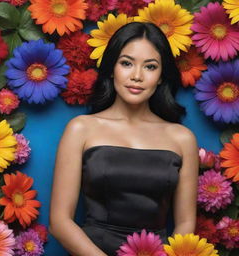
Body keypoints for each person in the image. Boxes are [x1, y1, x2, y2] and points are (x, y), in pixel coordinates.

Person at [49, 22, 199, 256]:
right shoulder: (81, 129)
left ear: (161, 76)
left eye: (150, 67)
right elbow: (60, 222)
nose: (137, 76)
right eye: (126, 63)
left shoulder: (182, 139)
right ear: (111, 68)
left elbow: (186, 225)